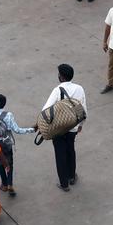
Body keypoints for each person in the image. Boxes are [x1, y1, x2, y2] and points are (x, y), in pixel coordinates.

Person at [43, 63, 86, 191]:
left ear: (61, 77)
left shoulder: (57, 90)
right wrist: (80, 125)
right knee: (70, 150)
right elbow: (83, 109)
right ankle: (72, 176)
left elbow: (46, 109)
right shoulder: (79, 89)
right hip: (73, 126)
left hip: (59, 129)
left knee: (60, 154)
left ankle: (64, 184)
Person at [0, 94, 35, 197]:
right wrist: (31, 129)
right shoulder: (8, 115)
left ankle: (4, 184)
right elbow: (17, 130)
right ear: (4, 104)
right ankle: (10, 184)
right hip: (7, 143)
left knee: (0, 163)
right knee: (9, 163)